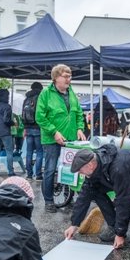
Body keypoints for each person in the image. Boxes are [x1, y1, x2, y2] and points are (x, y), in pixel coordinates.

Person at [64, 144, 130, 249]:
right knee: (93, 191)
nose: (80, 174)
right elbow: (83, 197)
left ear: (90, 165)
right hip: (129, 176)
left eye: (80, 171)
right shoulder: (95, 167)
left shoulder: (117, 168)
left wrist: (120, 234)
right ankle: (113, 226)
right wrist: (74, 224)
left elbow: (124, 199)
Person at [36, 64, 86, 213]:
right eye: (66, 76)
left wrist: (79, 128)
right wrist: (54, 132)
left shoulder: (71, 93)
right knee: (50, 169)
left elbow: (78, 114)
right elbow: (40, 117)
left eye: (70, 76)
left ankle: (67, 196)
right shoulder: (46, 93)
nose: (69, 79)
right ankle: (49, 201)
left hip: (70, 139)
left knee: (72, 169)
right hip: (52, 140)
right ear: (56, 77)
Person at [22, 82, 44, 181]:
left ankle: (29, 175)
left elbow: (22, 114)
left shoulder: (26, 99)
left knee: (29, 152)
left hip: (27, 128)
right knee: (39, 152)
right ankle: (38, 175)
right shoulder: (40, 98)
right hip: (38, 128)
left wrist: (24, 128)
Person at [0, 88, 15, 176]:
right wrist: (13, 123)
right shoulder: (7, 106)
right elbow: (6, 120)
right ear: (6, 96)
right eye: (8, 95)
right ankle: (11, 171)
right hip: (5, 131)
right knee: (9, 151)